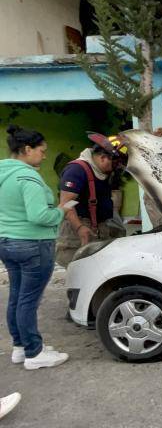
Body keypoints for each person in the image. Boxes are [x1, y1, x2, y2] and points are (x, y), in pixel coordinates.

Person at [0, 125, 71, 370]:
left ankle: (20, 348)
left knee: (17, 297)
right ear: (27, 149)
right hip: (32, 244)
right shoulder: (28, 176)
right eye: (42, 151)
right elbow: (39, 215)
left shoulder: (3, 172)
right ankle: (34, 353)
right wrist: (62, 210)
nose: (44, 156)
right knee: (28, 300)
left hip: (7, 242)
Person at [55, 132, 128, 267]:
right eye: (115, 164)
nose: (115, 169)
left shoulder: (101, 171)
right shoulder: (76, 170)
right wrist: (80, 228)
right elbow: (66, 204)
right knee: (79, 269)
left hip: (99, 226)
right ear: (103, 158)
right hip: (79, 226)